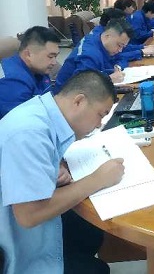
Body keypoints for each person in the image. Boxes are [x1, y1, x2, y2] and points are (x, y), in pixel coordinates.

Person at [0, 70, 125, 274]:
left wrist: (54, 167)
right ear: (79, 101)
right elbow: (28, 216)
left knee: (90, 233)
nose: (99, 124)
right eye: (100, 115)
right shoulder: (29, 133)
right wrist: (98, 179)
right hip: (18, 250)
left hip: (28, 228)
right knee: (97, 269)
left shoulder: (41, 111)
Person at [54, 19, 134, 91]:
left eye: (123, 47)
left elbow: (120, 58)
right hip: (67, 96)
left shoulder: (103, 42)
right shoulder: (89, 53)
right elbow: (81, 86)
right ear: (108, 36)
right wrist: (109, 79)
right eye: (119, 45)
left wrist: (117, 67)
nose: (120, 50)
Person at [0, 26, 60, 118]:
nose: (54, 62)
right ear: (28, 54)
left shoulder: (39, 70)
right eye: (50, 56)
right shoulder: (12, 81)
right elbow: (21, 122)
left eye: (56, 56)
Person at [90, 8, 154, 63]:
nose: (125, 24)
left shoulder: (106, 33)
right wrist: (141, 52)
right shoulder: (100, 38)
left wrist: (143, 47)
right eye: (122, 21)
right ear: (111, 23)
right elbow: (115, 57)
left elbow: (123, 47)